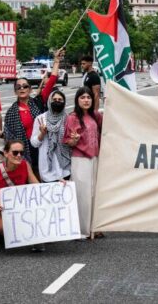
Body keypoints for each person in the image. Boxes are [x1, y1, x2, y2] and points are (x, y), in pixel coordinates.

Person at [4, 49, 63, 175]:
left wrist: (56, 61)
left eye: (25, 86)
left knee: (44, 177)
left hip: (43, 146)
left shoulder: (39, 102)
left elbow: (52, 80)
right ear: (15, 92)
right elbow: (8, 136)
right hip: (23, 151)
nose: (22, 88)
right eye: (18, 87)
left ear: (30, 90)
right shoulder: (10, 113)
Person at [0, 140, 41, 249]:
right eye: (15, 152)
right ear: (6, 153)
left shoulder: (25, 165)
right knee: (6, 229)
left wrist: (58, 186)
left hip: (20, 209)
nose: (19, 156)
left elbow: (37, 187)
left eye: (21, 153)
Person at [66, 87, 102, 239]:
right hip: (80, 159)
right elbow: (69, 141)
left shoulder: (96, 115)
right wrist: (73, 140)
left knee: (94, 193)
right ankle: (81, 229)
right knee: (82, 195)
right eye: (82, 97)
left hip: (95, 158)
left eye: (88, 97)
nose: (86, 100)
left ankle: (94, 227)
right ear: (77, 100)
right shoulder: (72, 118)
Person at [31, 89, 72, 183]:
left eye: (60, 100)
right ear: (49, 102)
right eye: (54, 99)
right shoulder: (41, 119)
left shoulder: (68, 119)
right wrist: (42, 134)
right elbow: (34, 143)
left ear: (64, 102)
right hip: (47, 170)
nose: (57, 102)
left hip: (64, 169)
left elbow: (71, 142)